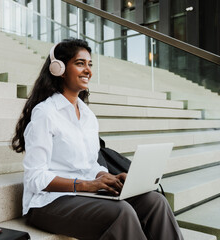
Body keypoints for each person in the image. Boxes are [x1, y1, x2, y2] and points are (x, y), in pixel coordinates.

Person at [11, 38, 184, 240]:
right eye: (80, 63)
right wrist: (85, 185)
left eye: (90, 64)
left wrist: (104, 176)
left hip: (84, 195)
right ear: (59, 69)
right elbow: (35, 179)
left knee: (154, 201)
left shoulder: (87, 116)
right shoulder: (45, 113)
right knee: (122, 212)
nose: (88, 70)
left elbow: (90, 164)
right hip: (48, 202)